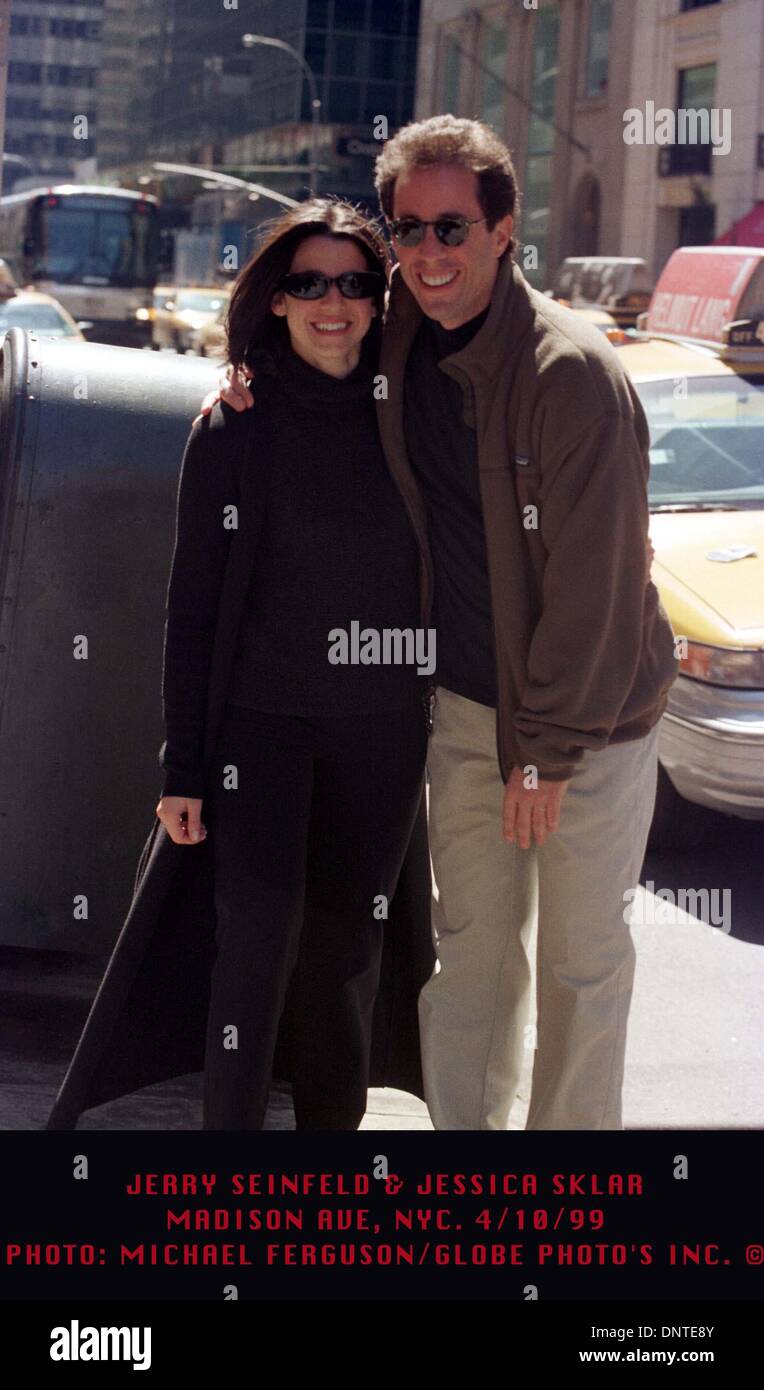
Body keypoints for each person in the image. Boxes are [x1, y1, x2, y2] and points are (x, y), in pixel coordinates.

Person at [200, 116, 679, 1132]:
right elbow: (304, 323)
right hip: (463, 703)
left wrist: (544, 754)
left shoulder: (570, 376)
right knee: (467, 959)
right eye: (406, 229)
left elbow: (594, 592)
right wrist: (237, 375)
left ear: (505, 231)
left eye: (451, 228)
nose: (425, 253)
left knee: (580, 965)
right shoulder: (398, 334)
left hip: (588, 720)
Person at [159, 197, 429, 1130]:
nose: (333, 302)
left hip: (383, 732)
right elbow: (191, 607)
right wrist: (181, 769)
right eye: (309, 282)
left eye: (356, 283)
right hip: (260, 731)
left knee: (345, 958)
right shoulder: (234, 423)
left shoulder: (415, 412)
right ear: (276, 299)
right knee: (256, 952)